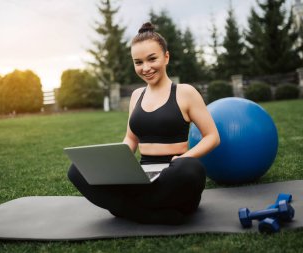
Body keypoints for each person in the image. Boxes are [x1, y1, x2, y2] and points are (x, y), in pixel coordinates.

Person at [68, 22, 220, 225]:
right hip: (141, 178)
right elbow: (131, 138)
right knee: (77, 169)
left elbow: (212, 136)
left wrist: (182, 158)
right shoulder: (136, 96)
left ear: (166, 57)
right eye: (138, 62)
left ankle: (126, 209)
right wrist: (115, 161)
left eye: (152, 59)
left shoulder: (185, 92)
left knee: (192, 169)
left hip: (174, 177)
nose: (145, 68)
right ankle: (148, 214)